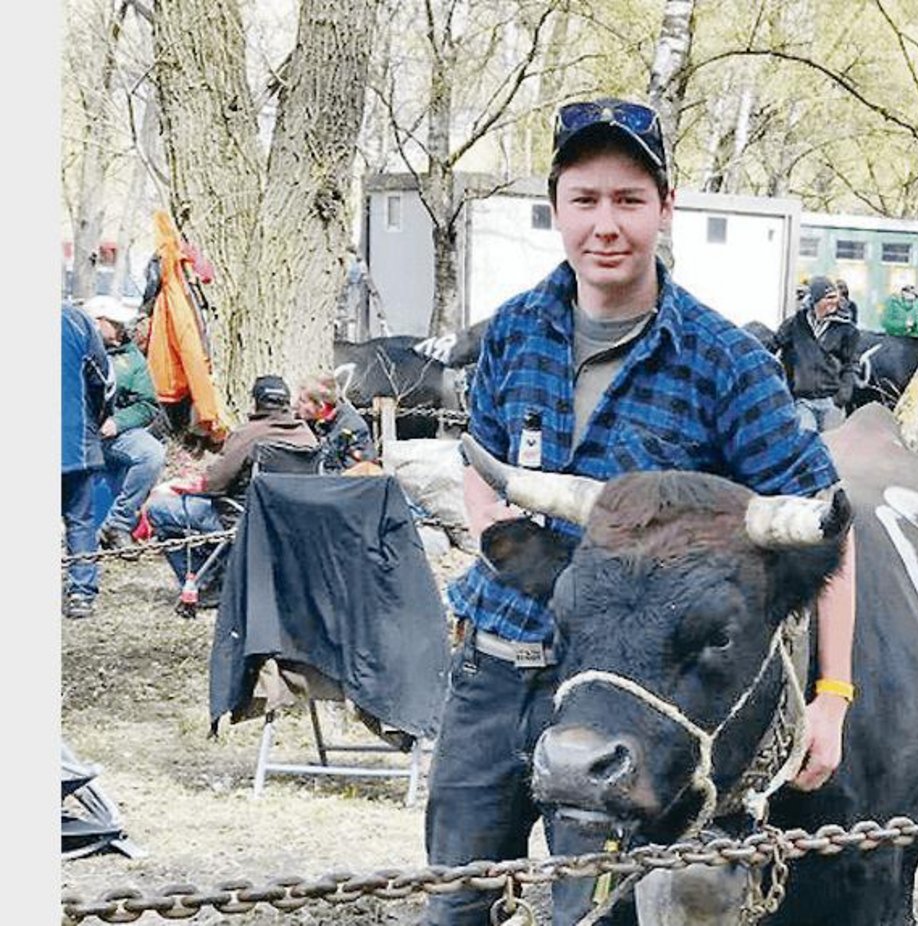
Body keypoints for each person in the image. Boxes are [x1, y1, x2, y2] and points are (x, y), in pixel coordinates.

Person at [425, 97, 858, 926]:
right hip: (494, 668)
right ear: (556, 208)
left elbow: (825, 521)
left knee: (591, 915)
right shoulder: (514, 330)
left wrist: (832, 695)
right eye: (585, 200)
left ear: (665, 208)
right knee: (456, 903)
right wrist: (504, 547)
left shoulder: (723, 361)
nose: (606, 225)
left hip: (628, 696)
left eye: (629, 200)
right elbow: (483, 462)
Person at [145, 375, 318, 614]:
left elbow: (214, 484)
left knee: (158, 510)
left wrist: (180, 485)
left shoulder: (249, 434)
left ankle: (208, 586)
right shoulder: (307, 437)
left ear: (256, 402)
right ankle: (224, 569)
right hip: (293, 524)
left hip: (243, 520)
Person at [84, 296, 167, 552]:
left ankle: (118, 524)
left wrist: (118, 422)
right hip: (76, 433)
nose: (122, 329)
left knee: (151, 454)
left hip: (114, 435)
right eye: (115, 323)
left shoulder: (131, 357)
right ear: (97, 322)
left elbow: (147, 404)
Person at [61, 302, 113, 620]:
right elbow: (103, 379)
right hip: (73, 440)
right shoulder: (75, 320)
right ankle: (81, 592)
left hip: (73, 439)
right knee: (80, 520)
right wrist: (97, 418)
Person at [773, 275, 862, 432]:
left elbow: (852, 365)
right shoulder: (794, 324)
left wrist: (841, 398)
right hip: (802, 402)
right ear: (815, 300)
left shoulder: (848, 330)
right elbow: (773, 346)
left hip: (831, 403)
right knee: (806, 441)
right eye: (828, 298)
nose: (833, 301)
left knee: (831, 444)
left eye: (834, 297)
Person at [294, 373, 376, 473]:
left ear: (321, 407)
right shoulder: (301, 421)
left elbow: (356, 474)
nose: (295, 405)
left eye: (302, 401)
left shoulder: (352, 429)